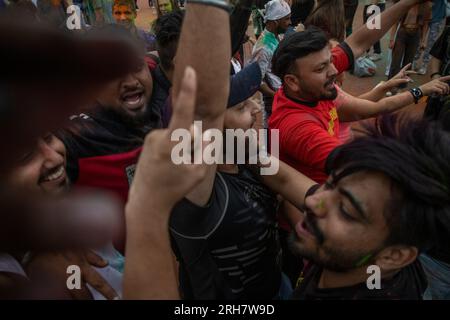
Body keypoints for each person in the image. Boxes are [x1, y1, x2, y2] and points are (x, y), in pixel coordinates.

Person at [251, 0, 291, 125]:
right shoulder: (263, 47)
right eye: (287, 19)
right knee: (273, 139)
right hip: (274, 104)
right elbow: (257, 80)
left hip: (282, 98)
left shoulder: (277, 36)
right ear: (276, 22)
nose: (289, 23)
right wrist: (276, 96)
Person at [388, 1, 432, 88]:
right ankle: (390, 85)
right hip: (403, 32)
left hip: (416, 34)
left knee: (408, 62)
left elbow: (426, 25)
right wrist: (391, 39)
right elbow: (395, 22)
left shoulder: (426, 5)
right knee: (396, 61)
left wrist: (423, 41)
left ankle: (401, 86)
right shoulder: (405, 3)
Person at [413, 0, 447, 75]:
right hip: (425, 14)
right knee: (419, 39)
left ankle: (424, 64)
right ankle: (415, 60)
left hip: (437, 17)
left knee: (431, 42)